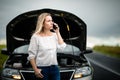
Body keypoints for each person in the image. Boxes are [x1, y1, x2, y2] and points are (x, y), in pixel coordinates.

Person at [27, 13, 66, 80]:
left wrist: (57, 32)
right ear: (42, 23)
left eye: (52, 20)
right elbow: (31, 55)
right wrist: (35, 70)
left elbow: (62, 47)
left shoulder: (55, 35)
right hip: (42, 70)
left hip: (55, 69)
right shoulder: (36, 37)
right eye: (48, 21)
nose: (52, 23)